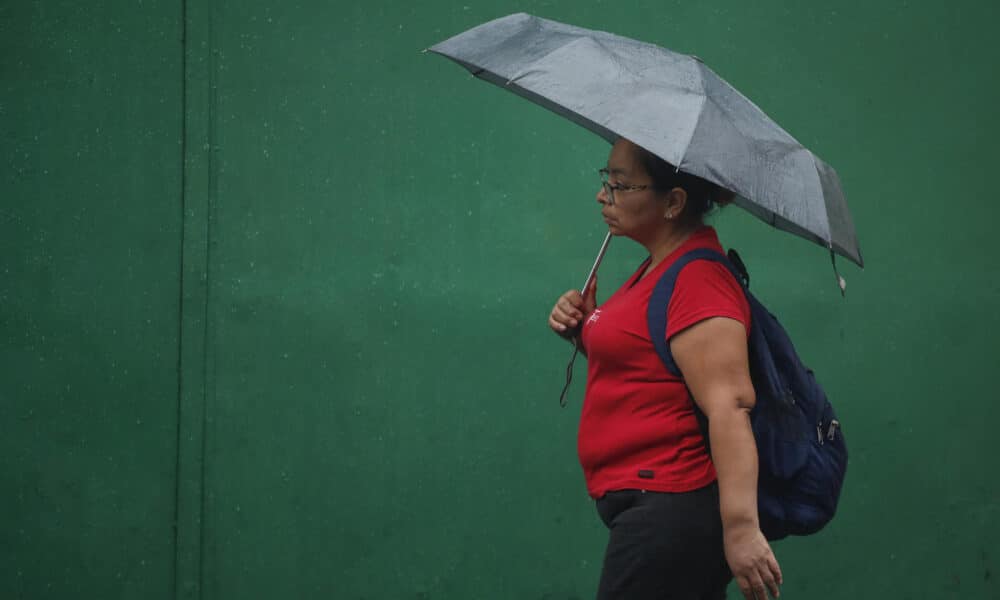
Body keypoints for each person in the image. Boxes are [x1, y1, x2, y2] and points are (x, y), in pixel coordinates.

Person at [547, 138, 783, 600]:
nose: (602, 195)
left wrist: (741, 530)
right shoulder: (659, 267)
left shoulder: (698, 279)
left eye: (618, 184)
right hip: (651, 510)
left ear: (673, 202)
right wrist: (584, 332)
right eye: (605, 180)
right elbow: (654, 369)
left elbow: (730, 406)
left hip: (670, 513)